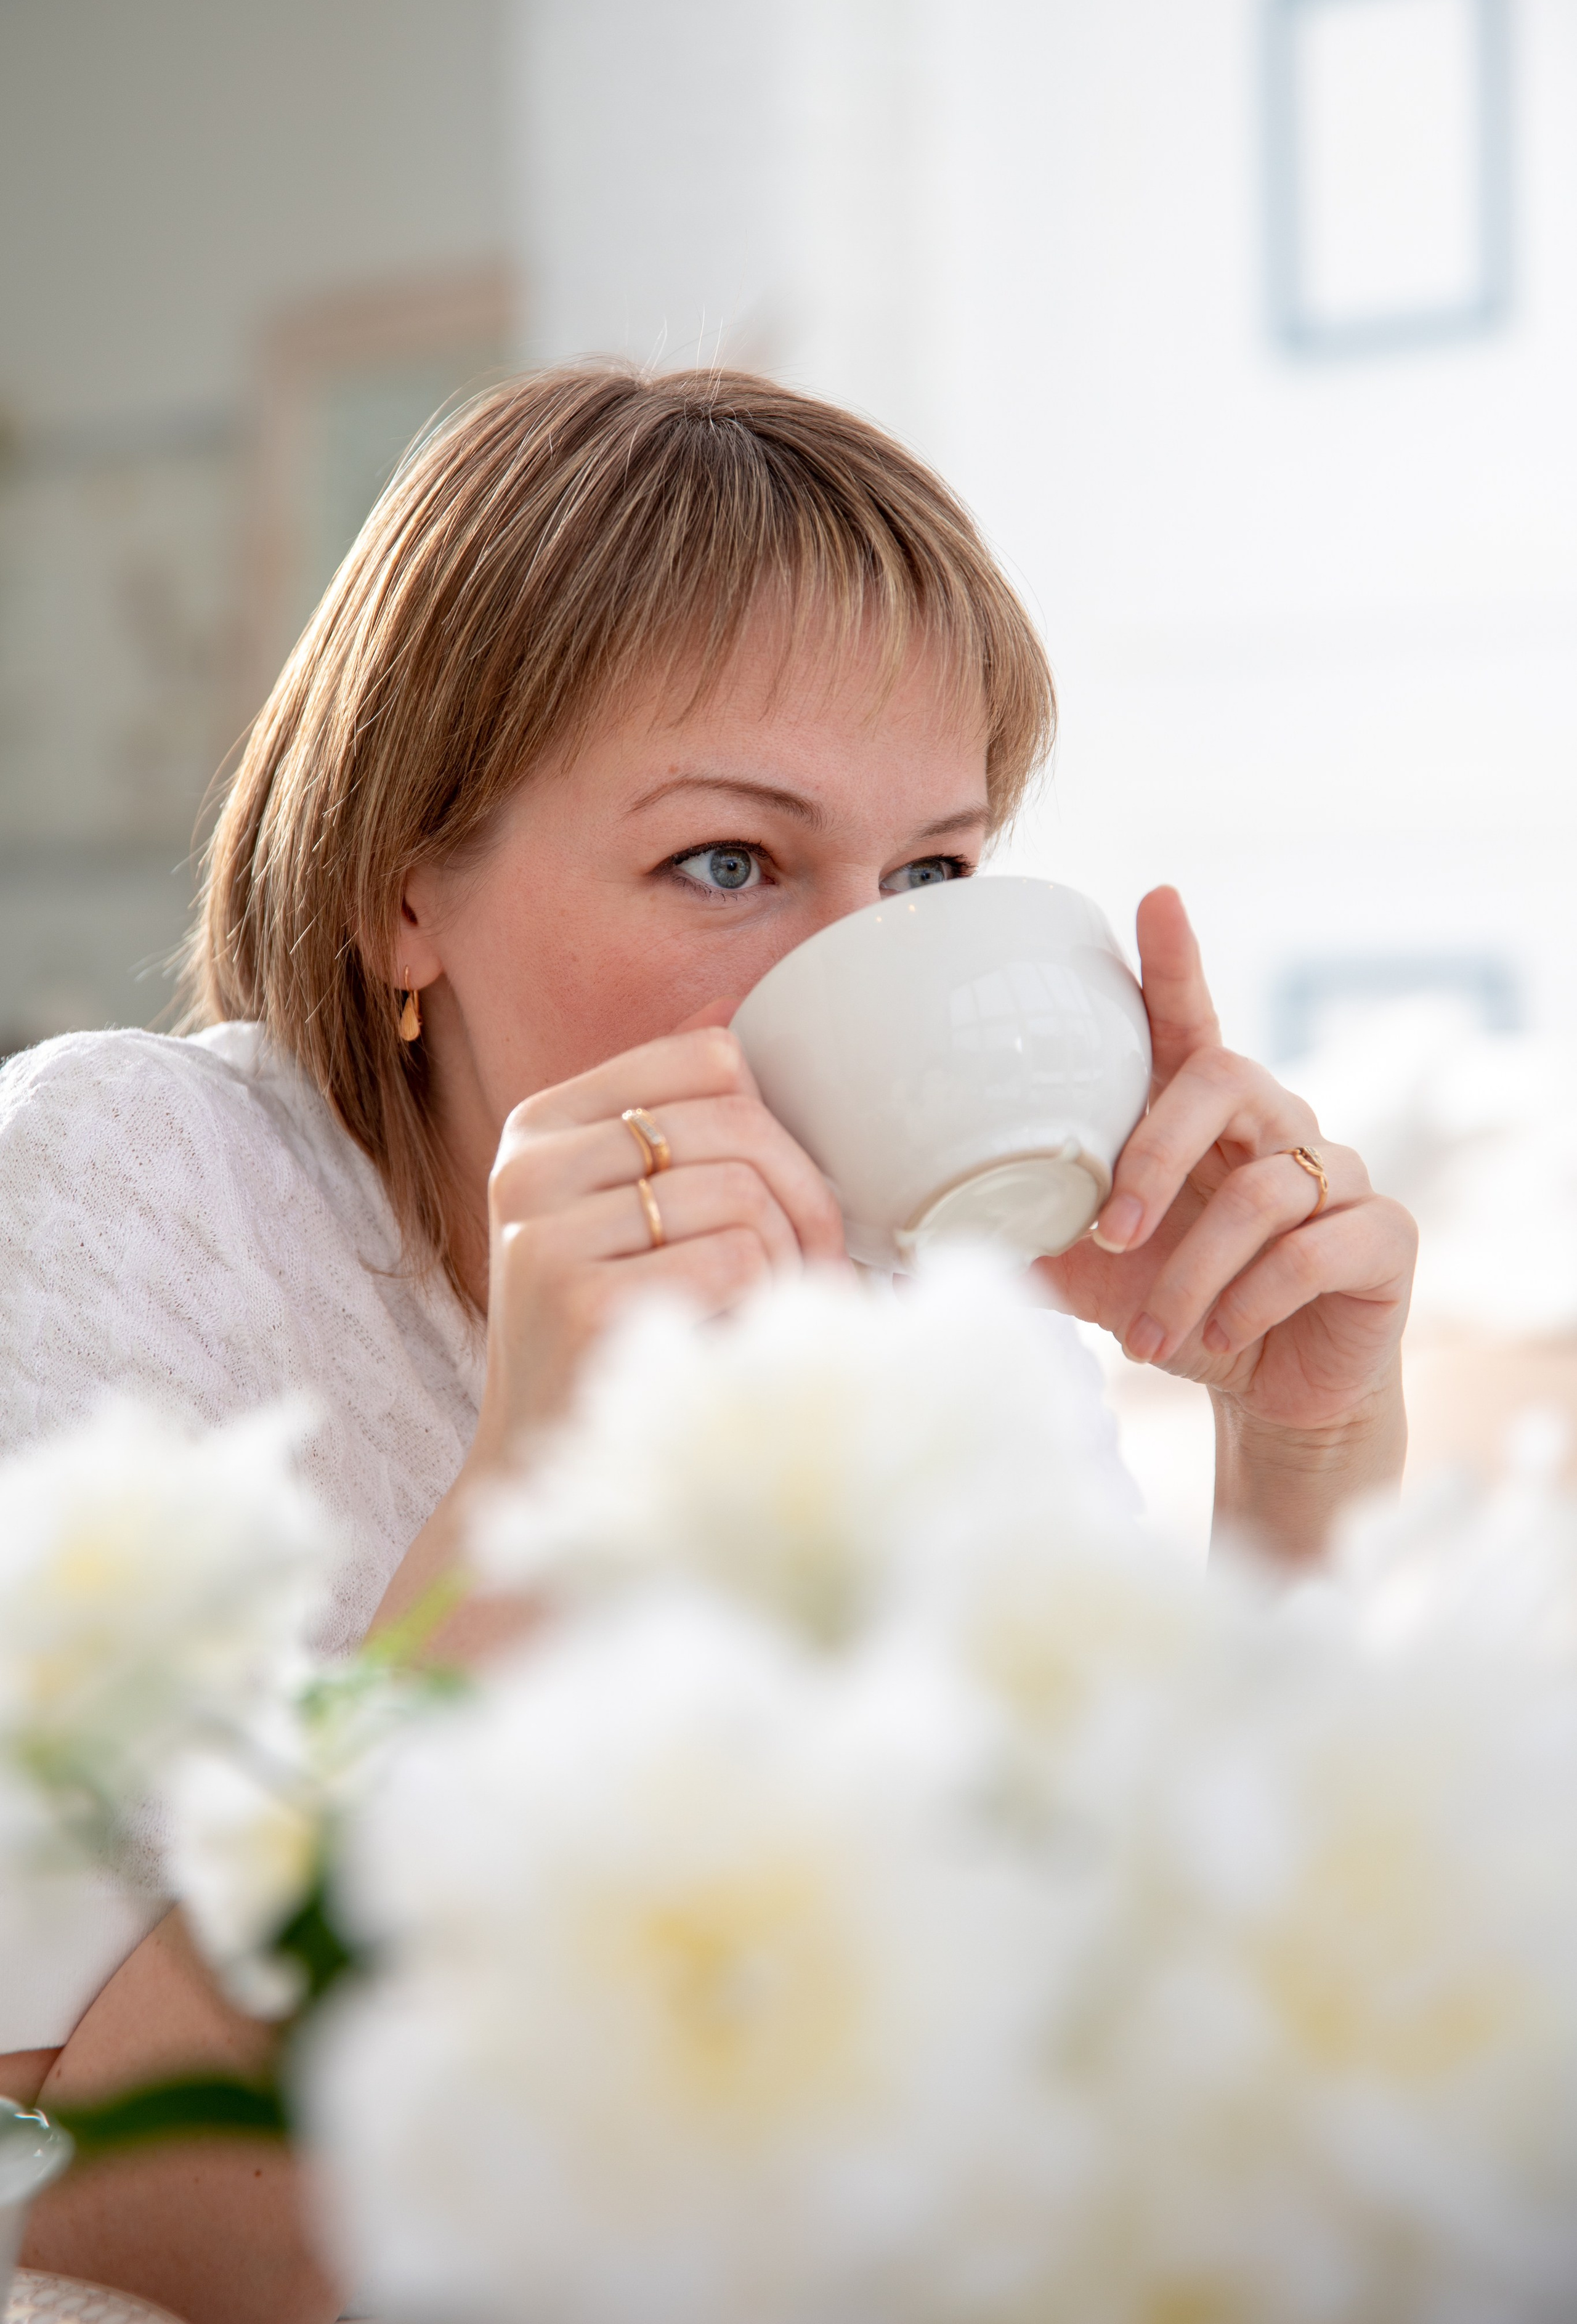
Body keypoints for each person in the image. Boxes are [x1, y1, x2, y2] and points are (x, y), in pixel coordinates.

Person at [0, 365, 1416, 2323]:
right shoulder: (134, 1180)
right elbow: (113, 2239)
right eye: (731, 864)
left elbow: (1200, 2032)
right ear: (407, 887)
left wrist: (1303, 1461)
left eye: (933, 873)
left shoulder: (936, 1317)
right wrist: (529, 1510)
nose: (863, 964)